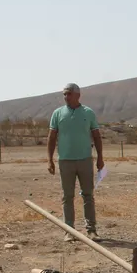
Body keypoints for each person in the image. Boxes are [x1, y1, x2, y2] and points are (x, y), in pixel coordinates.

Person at [47, 83, 104, 242]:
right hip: (65, 161)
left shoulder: (88, 113)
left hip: (85, 160)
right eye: (64, 94)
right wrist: (50, 160)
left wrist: (100, 157)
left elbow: (97, 136)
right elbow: (51, 137)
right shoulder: (58, 114)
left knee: (88, 195)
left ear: (78, 95)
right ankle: (69, 231)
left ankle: (91, 230)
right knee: (67, 196)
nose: (66, 97)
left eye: (69, 94)